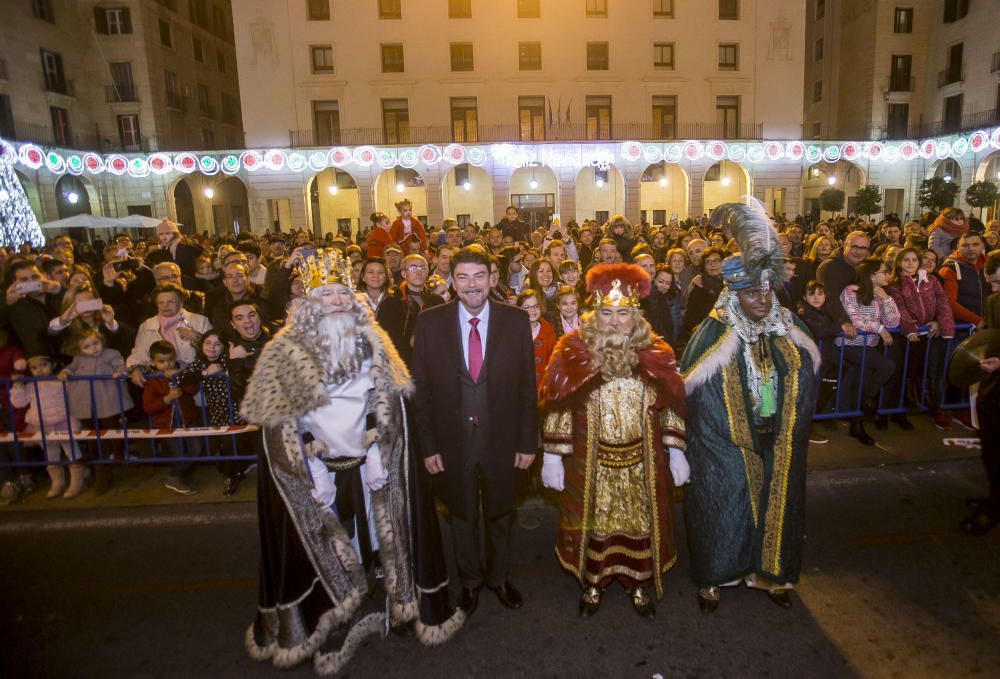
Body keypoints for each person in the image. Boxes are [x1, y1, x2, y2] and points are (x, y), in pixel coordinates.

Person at [240, 248, 462, 673]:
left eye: (343, 294)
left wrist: (384, 450)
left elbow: (390, 400)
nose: (338, 303)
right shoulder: (286, 348)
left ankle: (391, 599)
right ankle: (335, 611)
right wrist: (311, 467)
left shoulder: (373, 338)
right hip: (319, 469)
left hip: (367, 463)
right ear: (310, 301)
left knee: (380, 538)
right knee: (330, 544)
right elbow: (281, 422)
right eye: (327, 295)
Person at [681, 203, 820, 613]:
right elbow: (701, 398)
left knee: (778, 501)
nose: (761, 299)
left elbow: (806, 379)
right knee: (724, 500)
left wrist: (782, 422)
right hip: (725, 441)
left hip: (777, 433)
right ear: (733, 293)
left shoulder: (791, 327)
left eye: (767, 290)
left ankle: (772, 574)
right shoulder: (712, 334)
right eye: (751, 292)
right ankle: (716, 575)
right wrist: (735, 433)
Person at [539, 263, 689, 619]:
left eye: (623, 312)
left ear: (635, 314)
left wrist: (676, 450)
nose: (615, 320)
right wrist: (551, 456)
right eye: (607, 312)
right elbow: (559, 402)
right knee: (593, 525)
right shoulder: (572, 351)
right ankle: (593, 583)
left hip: (642, 462)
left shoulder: (656, 351)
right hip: (590, 463)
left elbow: (670, 402)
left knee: (639, 524)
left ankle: (637, 584)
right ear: (595, 313)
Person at [412, 245, 538, 617]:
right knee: (462, 513)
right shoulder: (430, 322)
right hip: (452, 442)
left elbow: (527, 388)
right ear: (451, 281)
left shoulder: (515, 321)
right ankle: (469, 583)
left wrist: (527, 441)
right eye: (463, 277)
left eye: (479, 276)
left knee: (501, 512)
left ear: (491, 279)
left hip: (502, 439)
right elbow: (422, 391)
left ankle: (498, 578)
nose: (471, 285)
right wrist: (428, 447)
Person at [9, 353, 85, 499]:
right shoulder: (31, 385)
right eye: (34, 368)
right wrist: (18, 385)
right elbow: (19, 403)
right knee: (51, 454)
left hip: (62, 420)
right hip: (41, 424)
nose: (39, 370)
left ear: (53, 364)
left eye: (43, 365)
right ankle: (57, 482)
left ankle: (78, 482)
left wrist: (67, 375)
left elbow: (75, 394)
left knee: (71, 451)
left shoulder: (60, 381)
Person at [961, 252, 1000, 534]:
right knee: (990, 447)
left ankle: (994, 510)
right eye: (991, 283)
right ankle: (993, 497)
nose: (995, 289)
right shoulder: (993, 301)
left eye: (999, 283)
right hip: (992, 383)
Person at [142, 340, 202, 495]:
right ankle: (176, 478)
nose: (167, 365)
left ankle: (176, 477)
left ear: (175, 357)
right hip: (165, 423)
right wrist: (167, 399)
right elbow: (148, 406)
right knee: (177, 453)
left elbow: (193, 388)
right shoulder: (152, 380)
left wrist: (181, 377)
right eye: (161, 361)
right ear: (153, 362)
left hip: (188, 419)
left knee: (196, 448)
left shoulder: (183, 371)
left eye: (170, 360)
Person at [516, 290, 556, 387]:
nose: (532, 310)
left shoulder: (548, 332)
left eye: (535, 306)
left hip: (542, 388)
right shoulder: (513, 334)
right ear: (518, 309)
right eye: (527, 307)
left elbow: (553, 363)